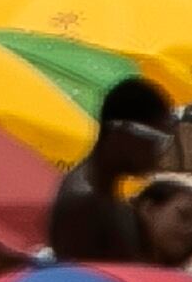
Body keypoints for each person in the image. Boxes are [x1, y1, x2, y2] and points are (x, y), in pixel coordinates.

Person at [52, 75, 180, 262]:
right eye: (157, 140)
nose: (159, 153)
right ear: (119, 132)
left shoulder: (104, 194)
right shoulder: (83, 203)